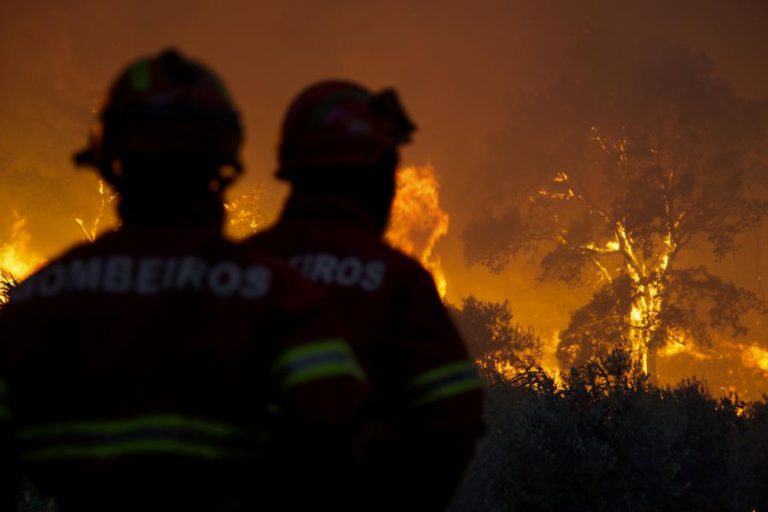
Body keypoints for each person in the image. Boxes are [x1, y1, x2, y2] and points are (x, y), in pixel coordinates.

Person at [0, 50, 366, 512]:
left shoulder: (42, 299)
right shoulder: (282, 298)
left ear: (111, 161)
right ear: (225, 161)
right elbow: (343, 443)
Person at [241, 80, 484, 512]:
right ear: (375, 178)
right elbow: (455, 418)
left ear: (293, 170)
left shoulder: (236, 270)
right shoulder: (398, 281)